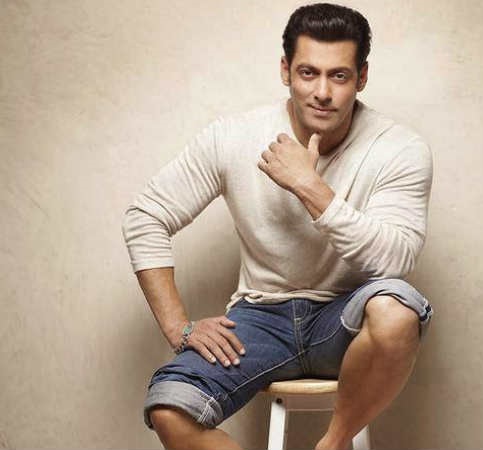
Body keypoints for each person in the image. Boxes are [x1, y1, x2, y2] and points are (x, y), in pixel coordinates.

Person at [121, 3, 434, 449]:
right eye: (308, 73)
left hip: (344, 317)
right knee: (169, 410)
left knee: (397, 310)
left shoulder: (399, 148)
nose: (322, 92)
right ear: (286, 70)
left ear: (361, 78)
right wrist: (179, 327)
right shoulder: (233, 136)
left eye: (338, 76)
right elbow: (146, 216)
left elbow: (395, 260)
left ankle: (332, 444)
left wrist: (310, 186)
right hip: (260, 319)